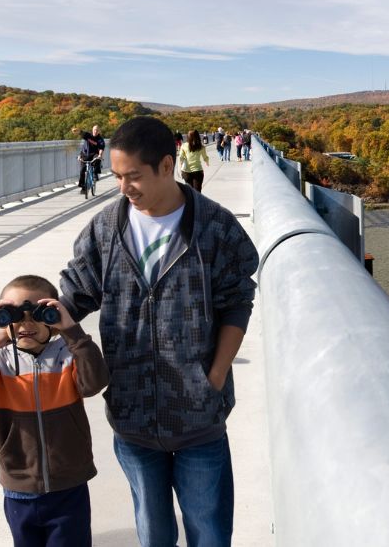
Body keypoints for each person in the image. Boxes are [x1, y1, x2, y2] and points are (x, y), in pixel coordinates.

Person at [58, 116, 258, 547]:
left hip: (199, 414)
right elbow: (74, 295)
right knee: (153, 534)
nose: (123, 187)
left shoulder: (216, 227)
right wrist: (25, 322)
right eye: (116, 176)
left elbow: (238, 302)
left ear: (167, 166)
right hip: (132, 415)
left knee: (209, 534)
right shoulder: (105, 229)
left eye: (133, 176)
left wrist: (216, 376)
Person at [0, 274, 108, 547]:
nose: (26, 323)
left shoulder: (68, 357)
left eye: (37, 314)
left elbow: (94, 382)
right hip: (19, 488)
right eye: (14, 315)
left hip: (68, 487)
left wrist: (71, 330)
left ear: (52, 316)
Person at [74, 125, 106, 196]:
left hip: (94, 154)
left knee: (97, 159)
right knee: (82, 170)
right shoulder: (88, 135)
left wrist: (100, 155)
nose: (95, 131)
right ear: (92, 130)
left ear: (99, 131)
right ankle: (83, 187)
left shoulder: (100, 139)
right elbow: (82, 133)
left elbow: (101, 148)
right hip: (85, 154)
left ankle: (95, 174)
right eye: (94, 130)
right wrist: (77, 131)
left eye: (97, 130)